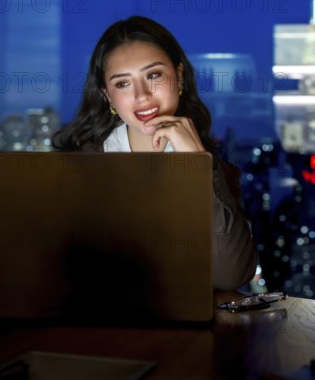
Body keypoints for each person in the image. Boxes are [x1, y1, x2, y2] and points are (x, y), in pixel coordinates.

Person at [52, 15, 257, 291]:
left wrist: (198, 166)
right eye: (123, 83)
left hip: (184, 330)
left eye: (153, 75)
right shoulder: (75, 168)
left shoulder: (218, 172)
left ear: (179, 76)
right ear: (107, 95)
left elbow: (231, 276)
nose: (142, 95)